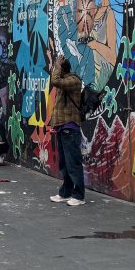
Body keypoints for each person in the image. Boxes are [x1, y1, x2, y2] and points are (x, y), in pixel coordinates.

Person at [48, 53, 86, 207]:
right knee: (65, 164)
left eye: (57, 69)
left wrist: (57, 64)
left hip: (70, 128)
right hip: (62, 128)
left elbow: (55, 80)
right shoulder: (64, 82)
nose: (55, 72)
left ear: (62, 70)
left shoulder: (73, 81)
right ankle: (66, 193)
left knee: (73, 164)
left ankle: (79, 195)